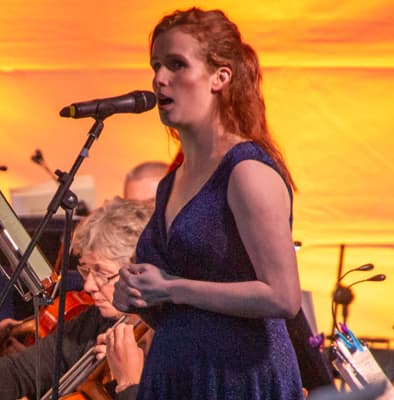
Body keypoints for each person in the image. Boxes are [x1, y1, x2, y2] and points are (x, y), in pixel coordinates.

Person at [113, 7, 303, 399]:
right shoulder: (171, 182)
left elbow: (284, 297)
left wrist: (172, 287)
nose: (159, 80)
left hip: (237, 377)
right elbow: (178, 308)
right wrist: (138, 296)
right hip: (177, 375)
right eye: (156, 66)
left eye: (177, 65)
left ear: (220, 77)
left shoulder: (247, 172)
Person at [0, 197, 153, 400]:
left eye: (101, 273)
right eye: (86, 271)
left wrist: (128, 382)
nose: (88, 286)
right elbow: (18, 370)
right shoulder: (97, 321)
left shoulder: (175, 343)